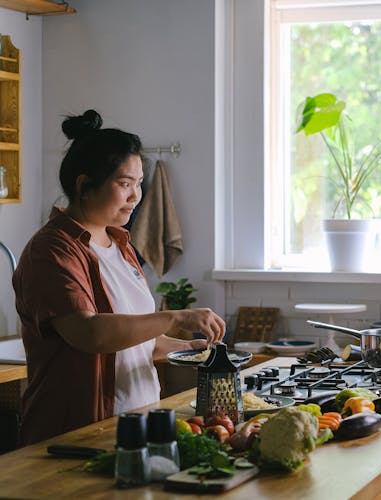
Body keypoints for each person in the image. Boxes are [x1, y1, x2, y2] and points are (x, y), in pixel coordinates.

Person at [12, 109, 225, 445]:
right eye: (124, 183)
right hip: (76, 436)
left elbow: (135, 340)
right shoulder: (52, 250)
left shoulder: (120, 244)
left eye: (139, 183)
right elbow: (91, 333)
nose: (135, 196)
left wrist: (186, 349)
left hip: (135, 427)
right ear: (84, 186)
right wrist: (175, 316)